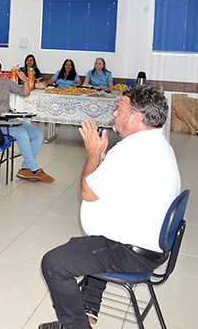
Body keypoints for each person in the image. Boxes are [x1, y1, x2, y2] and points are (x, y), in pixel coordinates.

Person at [38, 86, 180, 329]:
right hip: (148, 245)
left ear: (135, 117)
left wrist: (93, 152)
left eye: (119, 109)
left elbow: (88, 191)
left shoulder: (131, 151)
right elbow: (122, 182)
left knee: (53, 263)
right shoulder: (157, 144)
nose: (114, 113)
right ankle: (88, 308)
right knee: (88, 244)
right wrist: (104, 157)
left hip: (132, 253)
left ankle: (75, 326)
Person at [0, 59, 53, 183]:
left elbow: (25, 93)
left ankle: (25, 168)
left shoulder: (5, 83)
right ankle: (35, 169)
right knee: (21, 134)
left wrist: (25, 80)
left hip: (9, 118)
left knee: (38, 134)